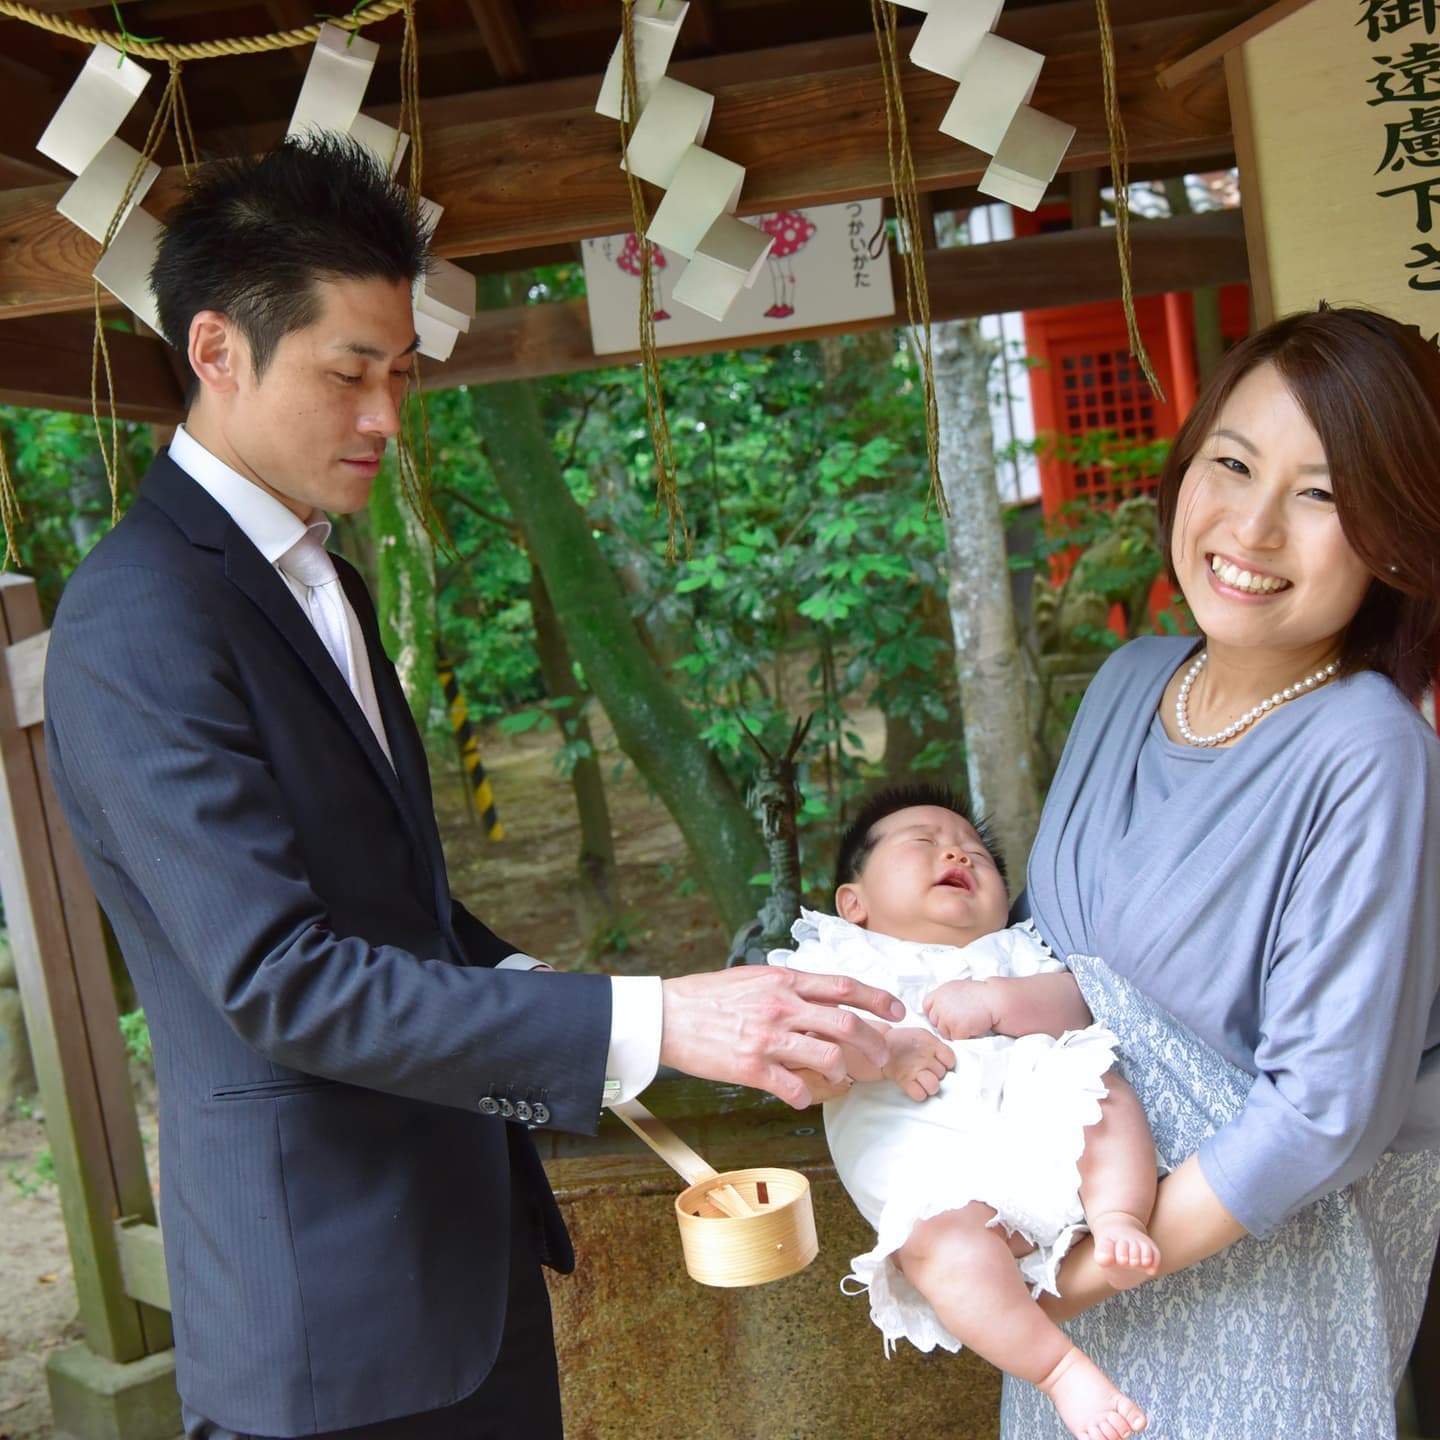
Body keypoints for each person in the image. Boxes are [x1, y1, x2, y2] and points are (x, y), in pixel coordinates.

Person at [41, 133, 905, 1440]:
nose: (389, 414)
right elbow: (283, 977)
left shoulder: (323, 578)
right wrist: (657, 1023)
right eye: (350, 373)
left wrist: (577, 1005)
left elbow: (399, 912)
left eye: (399, 371)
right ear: (217, 353)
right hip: (326, 1321)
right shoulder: (139, 619)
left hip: (458, 1266)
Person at [1001, 305, 1440, 1439]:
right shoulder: (1128, 679)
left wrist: (1077, 1275)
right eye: (1233, 463)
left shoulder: (1369, 745)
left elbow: (1323, 1114)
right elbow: (1053, 962)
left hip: (1249, 1284)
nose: (1250, 526)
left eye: (1323, 493)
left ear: (1396, 529)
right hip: (1070, 1275)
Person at [771, 784, 1159, 1440]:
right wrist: (885, 1050)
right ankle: (1059, 1370)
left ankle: (1119, 1211)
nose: (957, 851)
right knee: (939, 1254)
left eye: (978, 853)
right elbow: (802, 1065)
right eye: (922, 841)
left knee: (1098, 1086)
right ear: (853, 902)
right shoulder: (838, 962)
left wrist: (1001, 1000)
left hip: (1042, 1151)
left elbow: (1082, 1007)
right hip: (944, 1193)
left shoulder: (1009, 954)